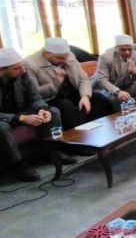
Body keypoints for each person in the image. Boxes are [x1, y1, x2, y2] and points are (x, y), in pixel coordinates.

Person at [0, 48, 74, 182]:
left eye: (22, 66)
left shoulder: (22, 75)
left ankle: (54, 151)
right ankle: (19, 165)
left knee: (53, 111)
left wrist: (42, 108)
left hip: (20, 111)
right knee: (2, 127)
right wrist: (21, 118)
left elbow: (35, 97)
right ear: (2, 70)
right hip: (4, 118)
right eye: (16, 68)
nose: (22, 70)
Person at [25, 37, 110, 130]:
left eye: (66, 56)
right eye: (60, 58)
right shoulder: (30, 63)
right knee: (66, 106)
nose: (65, 60)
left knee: (98, 98)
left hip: (72, 92)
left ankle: (101, 129)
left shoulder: (68, 56)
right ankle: (76, 135)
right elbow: (34, 94)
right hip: (50, 99)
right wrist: (55, 84)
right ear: (46, 53)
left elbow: (83, 79)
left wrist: (85, 96)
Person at [93, 34, 136, 112]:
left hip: (127, 86)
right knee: (114, 98)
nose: (127, 52)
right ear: (116, 49)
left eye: (130, 49)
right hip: (109, 89)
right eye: (123, 50)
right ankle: (122, 118)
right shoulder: (106, 58)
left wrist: (135, 73)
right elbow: (101, 79)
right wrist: (117, 91)